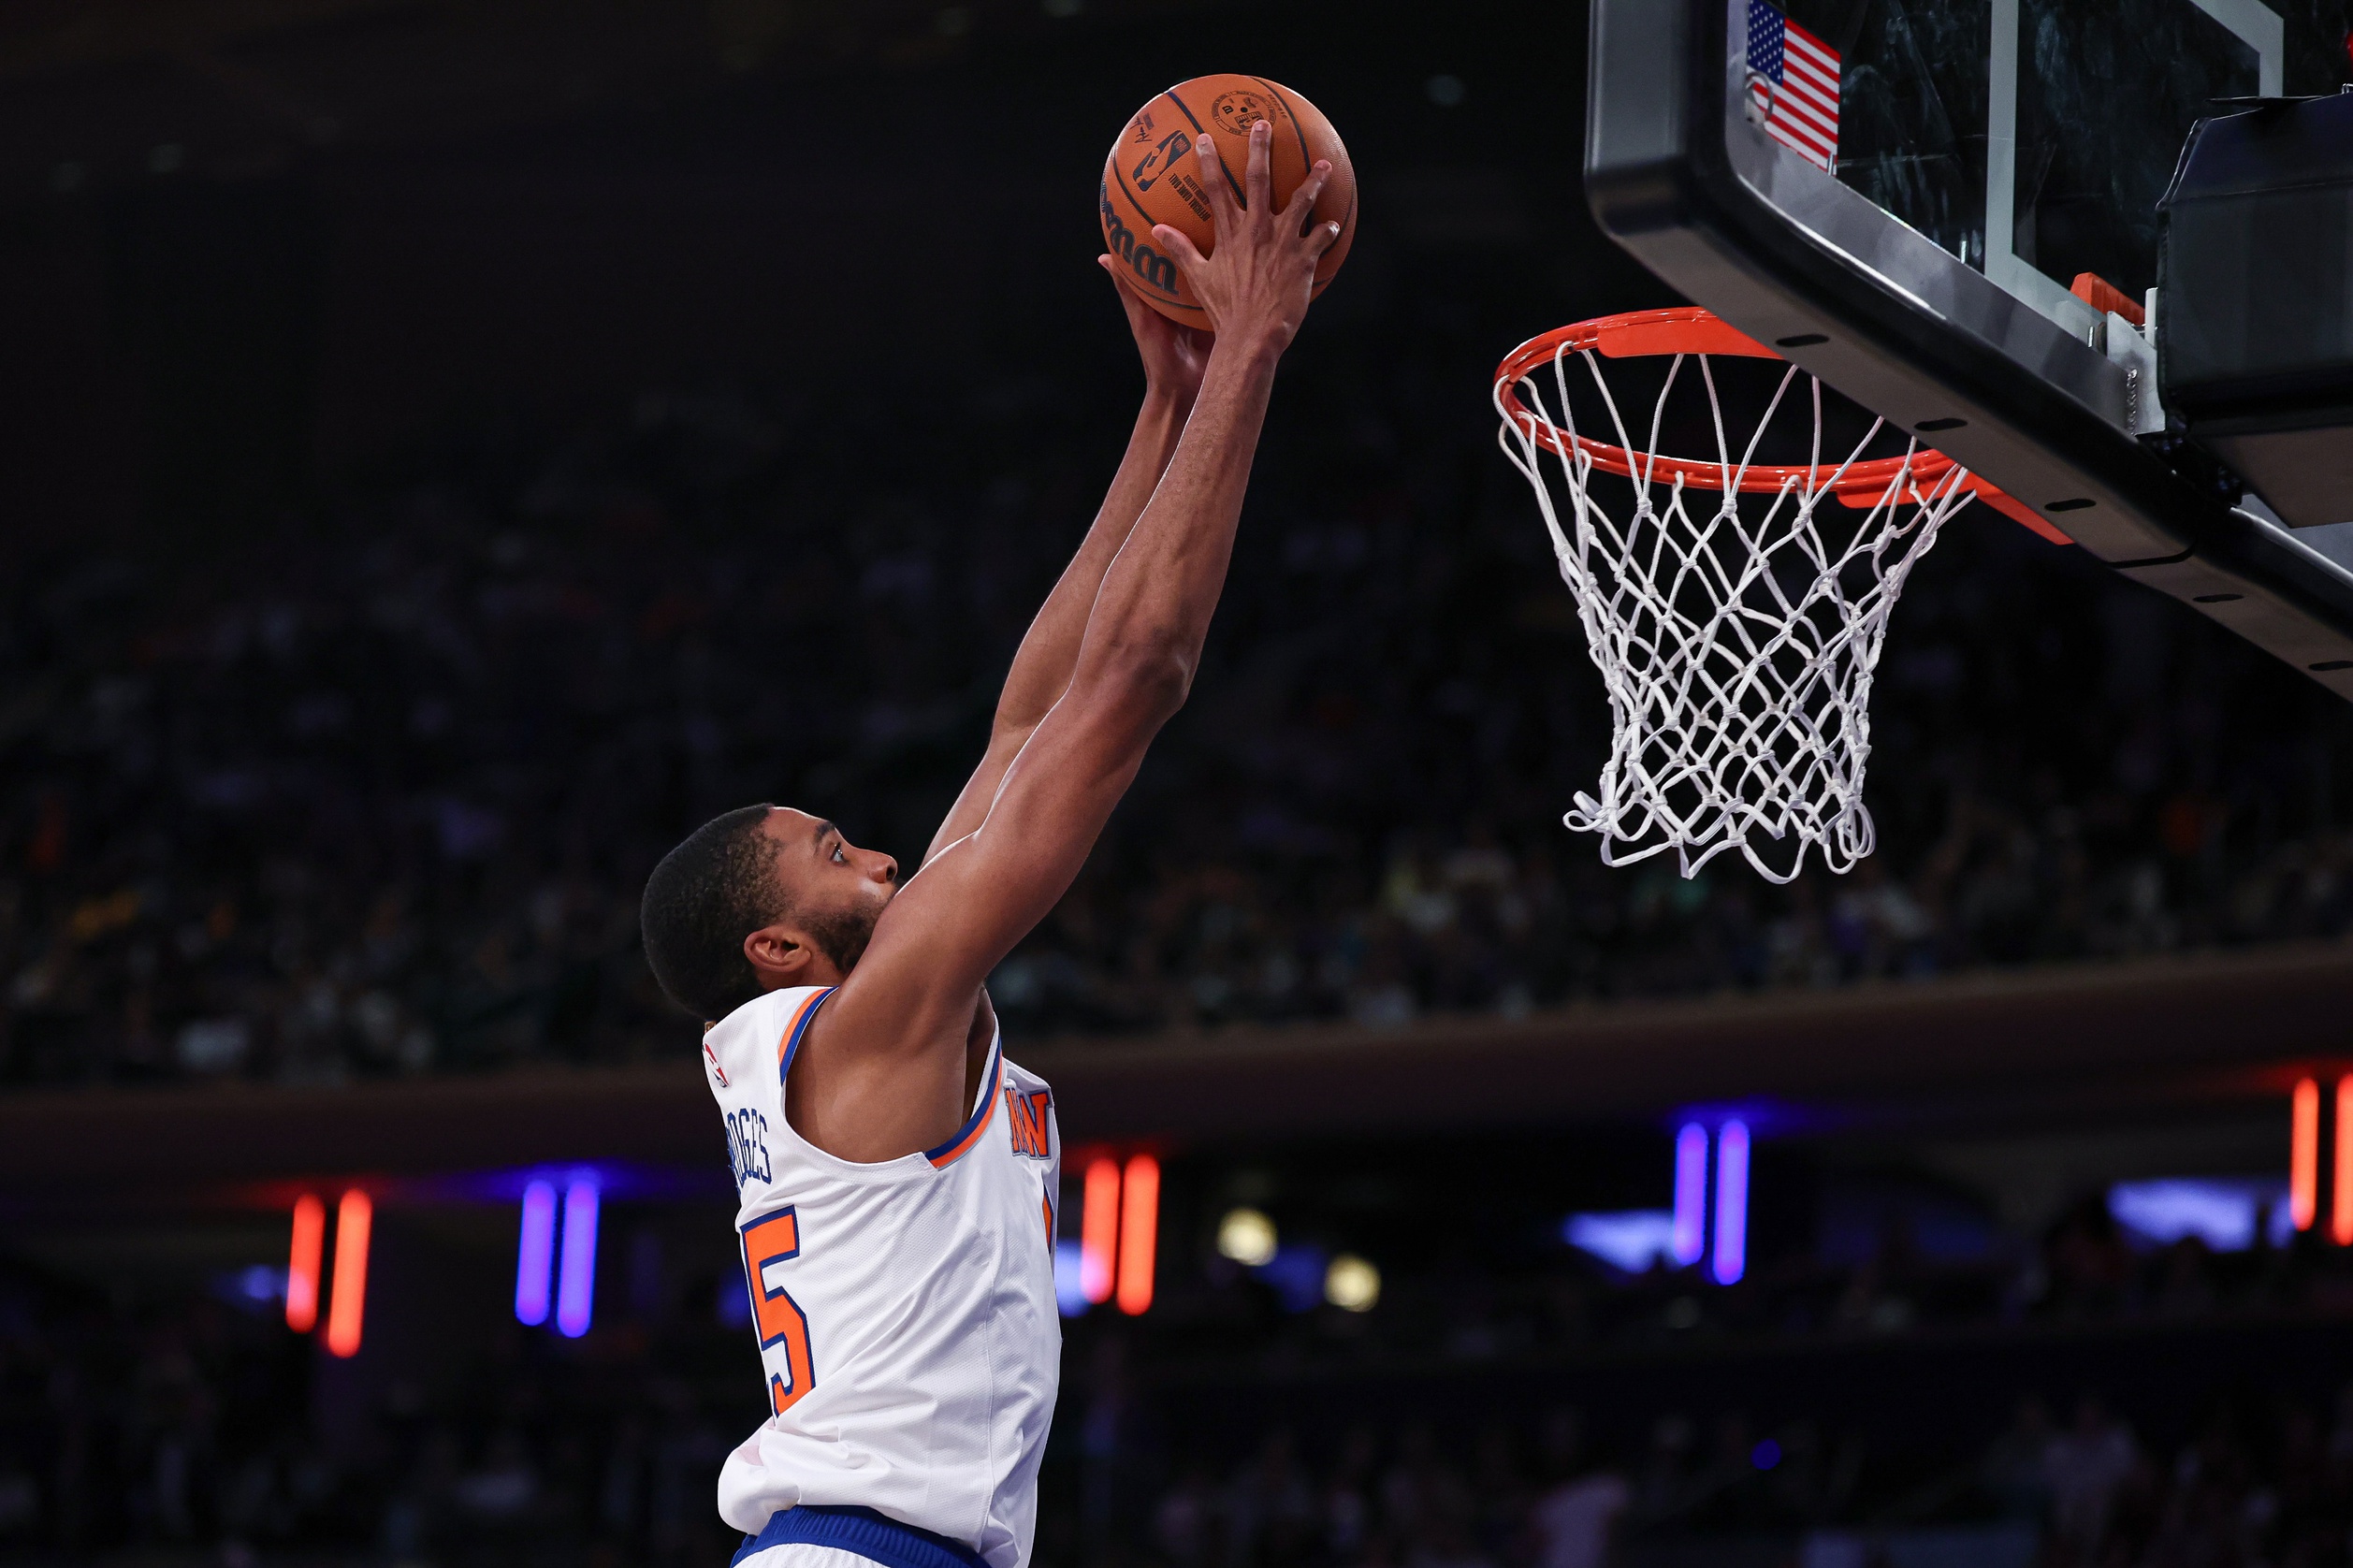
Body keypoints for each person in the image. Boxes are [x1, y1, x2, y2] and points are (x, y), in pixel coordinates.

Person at [637, 121, 1342, 1568]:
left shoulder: (853, 1028)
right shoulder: (869, 1022)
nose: (886, 861)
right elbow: (1135, 680)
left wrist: (1169, 409)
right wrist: (1258, 351)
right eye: (839, 855)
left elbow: (1027, 722)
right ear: (778, 947)